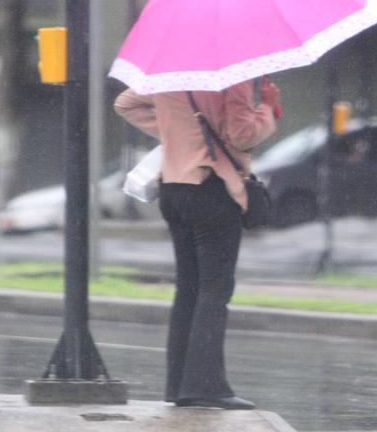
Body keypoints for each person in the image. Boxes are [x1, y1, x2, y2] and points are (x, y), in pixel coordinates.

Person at [114, 78, 280, 410]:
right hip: (211, 189)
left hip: (174, 189)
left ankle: (179, 385)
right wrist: (269, 110)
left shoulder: (168, 72)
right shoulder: (232, 77)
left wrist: (176, 135)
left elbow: (125, 103)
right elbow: (242, 134)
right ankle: (206, 385)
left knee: (188, 289)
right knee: (214, 289)